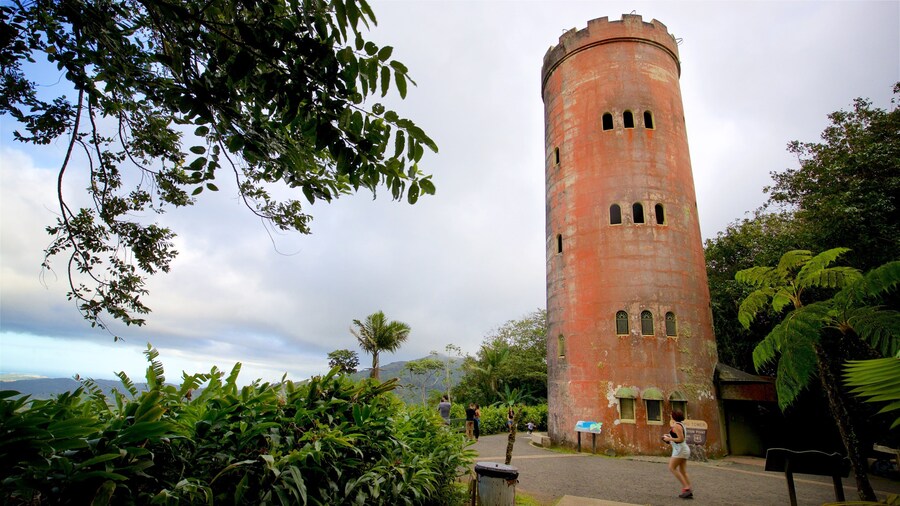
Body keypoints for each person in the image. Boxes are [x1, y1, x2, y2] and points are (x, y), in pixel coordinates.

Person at [662, 409, 693, 499]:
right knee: (683, 470)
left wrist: (669, 439)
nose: (670, 415)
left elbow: (681, 439)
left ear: (674, 416)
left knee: (672, 467)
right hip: (682, 449)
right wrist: (668, 436)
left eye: (671, 414)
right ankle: (688, 488)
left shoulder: (676, 426)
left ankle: (686, 487)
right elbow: (677, 436)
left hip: (680, 450)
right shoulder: (681, 424)